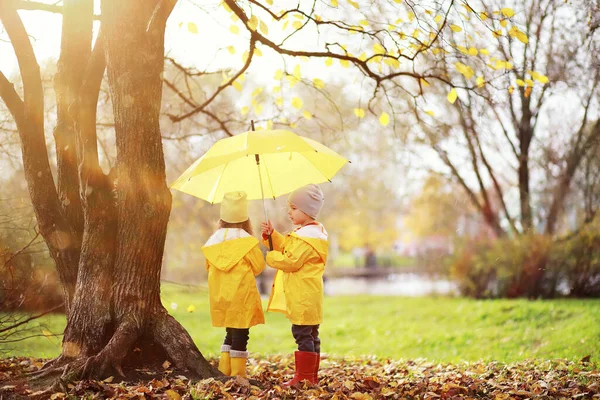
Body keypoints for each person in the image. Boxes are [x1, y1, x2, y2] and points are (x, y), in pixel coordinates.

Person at [261, 184, 328, 386]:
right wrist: (272, 236)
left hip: (303, 297)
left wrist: (271, 257)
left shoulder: (307, 239)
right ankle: (311, 377)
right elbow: (289, 248)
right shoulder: (308, 235)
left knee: (302, 335)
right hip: (309, 297)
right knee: (310, 335)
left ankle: (305, 378)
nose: (289, 212)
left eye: (293, 208)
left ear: (307, 210)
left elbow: (290, 261)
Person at [202, 191, 265, 378]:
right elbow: (259, 266)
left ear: (222, 219)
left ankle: (224, 372)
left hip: (222, 297)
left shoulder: (213, 242)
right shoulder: (247, 242)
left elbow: (208, 266)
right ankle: (238, 376)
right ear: (245, 219)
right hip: (241, 297)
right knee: (241, 335)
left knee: (230, 333)